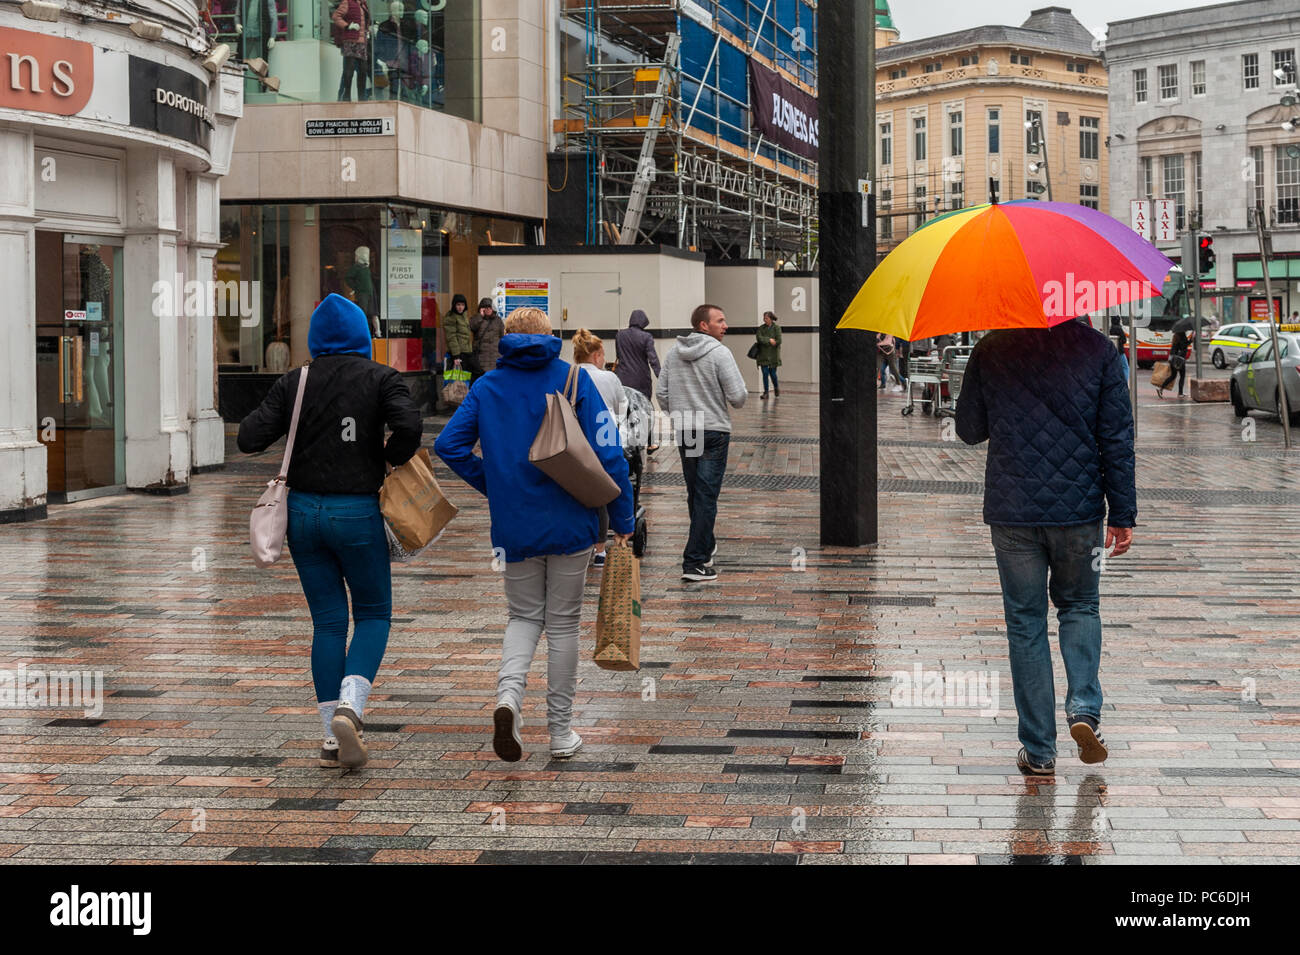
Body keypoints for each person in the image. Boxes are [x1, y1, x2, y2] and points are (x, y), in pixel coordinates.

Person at [435, 308, 635, 762]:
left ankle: (508, 699)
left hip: (513, 526)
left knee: (523, 617)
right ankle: (561, 734)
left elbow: (448, 445)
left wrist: (495, 483)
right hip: (571, 522)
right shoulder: (575, 380)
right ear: (550, 337)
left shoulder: (487, 386)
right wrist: (623, 521)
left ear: (506, 338)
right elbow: (611, 455)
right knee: (563, 624)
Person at [237, 294, 422, 771]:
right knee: (375, 613)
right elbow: (410, 427)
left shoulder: (295, 381)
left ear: (315, 339)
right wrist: (388, 456)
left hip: (302, 515)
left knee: (327, 623)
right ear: (363, 336)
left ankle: (330, 738)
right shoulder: (381, 378)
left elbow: (248, 438)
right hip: (358, 513)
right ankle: (351, 708)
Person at [955, 319, 1135, 776]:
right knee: (1080, 606)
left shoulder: (992, 345)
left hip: (1013, 510)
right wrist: (1123, 514)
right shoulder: (1098, 350)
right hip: (1080, 511)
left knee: (1025, 623)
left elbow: (969, 430)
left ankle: (1039, 752)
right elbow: (1116, 438)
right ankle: (1082, 709)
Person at [656, 303, 747, 583]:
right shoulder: (720, 353)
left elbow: (661, 393)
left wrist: (681, 411)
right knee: (706, 495)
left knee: (696, 491)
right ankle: (694, 561)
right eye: (720, 320)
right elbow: (738, 396)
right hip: (713, 431)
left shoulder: (673, 353)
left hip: (688, 429)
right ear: (703, 325)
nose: (726, 325)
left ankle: (705, 546)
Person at [572, 328, 629, 568]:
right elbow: (621, 406)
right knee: (603, 493)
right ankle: (599, 548)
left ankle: (578, 544)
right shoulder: (608, 378)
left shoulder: (569, 375)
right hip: (604, 439)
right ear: (596, 355)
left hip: (575, 443)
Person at [614, 308, 661, 400]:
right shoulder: (646, 337)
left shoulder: (620, 335)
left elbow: (618, 355)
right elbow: (653, 360)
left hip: (623, 378)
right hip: (641, 379)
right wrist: (661, 376)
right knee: (642, 407)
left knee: (624, 408)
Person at [331, 0, 371, 102]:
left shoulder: (364, 4)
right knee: (349, 71)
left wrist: (368, 30)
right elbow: (336, 16)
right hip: (351, 41)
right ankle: (346, 98)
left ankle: (361, 98)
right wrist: (348, 25)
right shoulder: (347, 2)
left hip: (362, 43)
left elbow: (365, 22)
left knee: (363, 71)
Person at [1157, 314, 1195, 398]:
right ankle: (1180, 393)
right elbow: (1183, 346)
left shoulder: (1176, 335)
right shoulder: (1182, 336)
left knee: (1173, 376)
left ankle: (1161, 388)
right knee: (1182, 376)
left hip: (1173, 358)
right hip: (1179, 359)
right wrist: (1191, 339)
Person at [442, 293, 476, 374]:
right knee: (458, 380)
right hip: (458, 354)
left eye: (463, 305)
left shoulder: (464, 316)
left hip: (467, 352)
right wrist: (456, 356)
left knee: (474, 374)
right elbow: (451, 337)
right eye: (458, 304)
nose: (460, 307)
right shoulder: (451, 317)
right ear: (454, 305)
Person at [470, 297, 505, 375]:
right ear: (482, 309)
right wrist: (480, 316)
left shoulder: (498, 320)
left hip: (495, 355)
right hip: (481, 356)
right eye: (486, 307)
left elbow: (502, 336)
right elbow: (472, 327)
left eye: (490, 307)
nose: (489, 309)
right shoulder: (476, 318)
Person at [755, 310, 783, 399]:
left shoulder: (777, 328)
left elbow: (779, 340)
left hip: (773, 355)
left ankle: (776, 387)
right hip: (763, 355)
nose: (764, 320)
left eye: (766, 318)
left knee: (773, 374)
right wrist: (770, 340)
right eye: (764, 318)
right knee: (765, 373)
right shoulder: (761, 328)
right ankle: (766, 392)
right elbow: (759, 338)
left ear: (771, 319)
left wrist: (767, 340)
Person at [1108, 317, 1130, 383]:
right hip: (1120, 351)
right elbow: (1124, 340)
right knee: (1125, 367)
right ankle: (1124, 381)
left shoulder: (1110, 328)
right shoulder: (1119, 329)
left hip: (1112, 351)